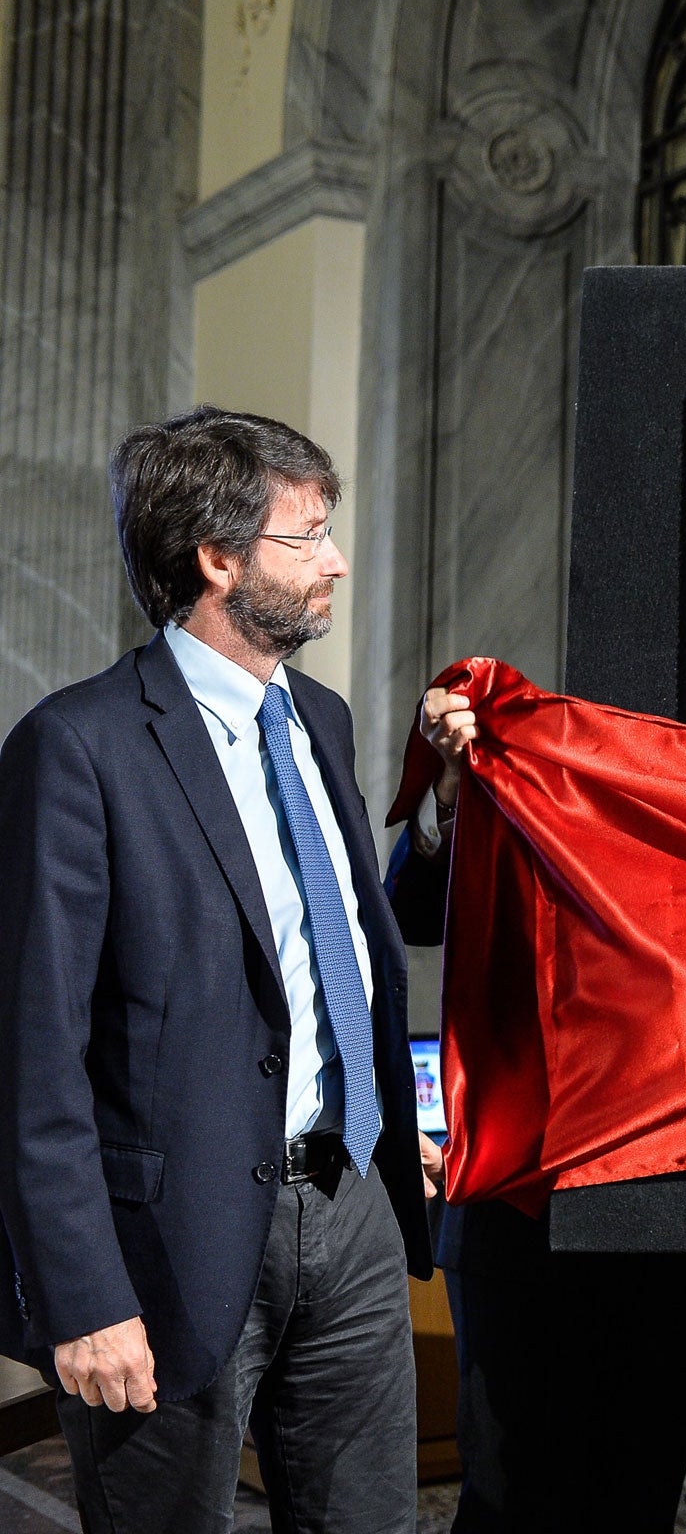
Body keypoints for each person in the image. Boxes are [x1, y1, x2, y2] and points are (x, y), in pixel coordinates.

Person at [0, 406, 441, 1533]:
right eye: (308, 535)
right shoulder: (79, 747)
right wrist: (83, 1297)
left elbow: (333, 954)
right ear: (218, 559)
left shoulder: (323, 724)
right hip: (168, 1245)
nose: (335, 559)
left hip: (347, 1212)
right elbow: (32, 1054)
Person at [387, 706, 686, 1534]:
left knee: (638, 1498)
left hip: (670, 1238)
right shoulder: (528, 818)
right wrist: (450, 793)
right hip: (520, 1228)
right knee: (512, 1499)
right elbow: (412, 911)